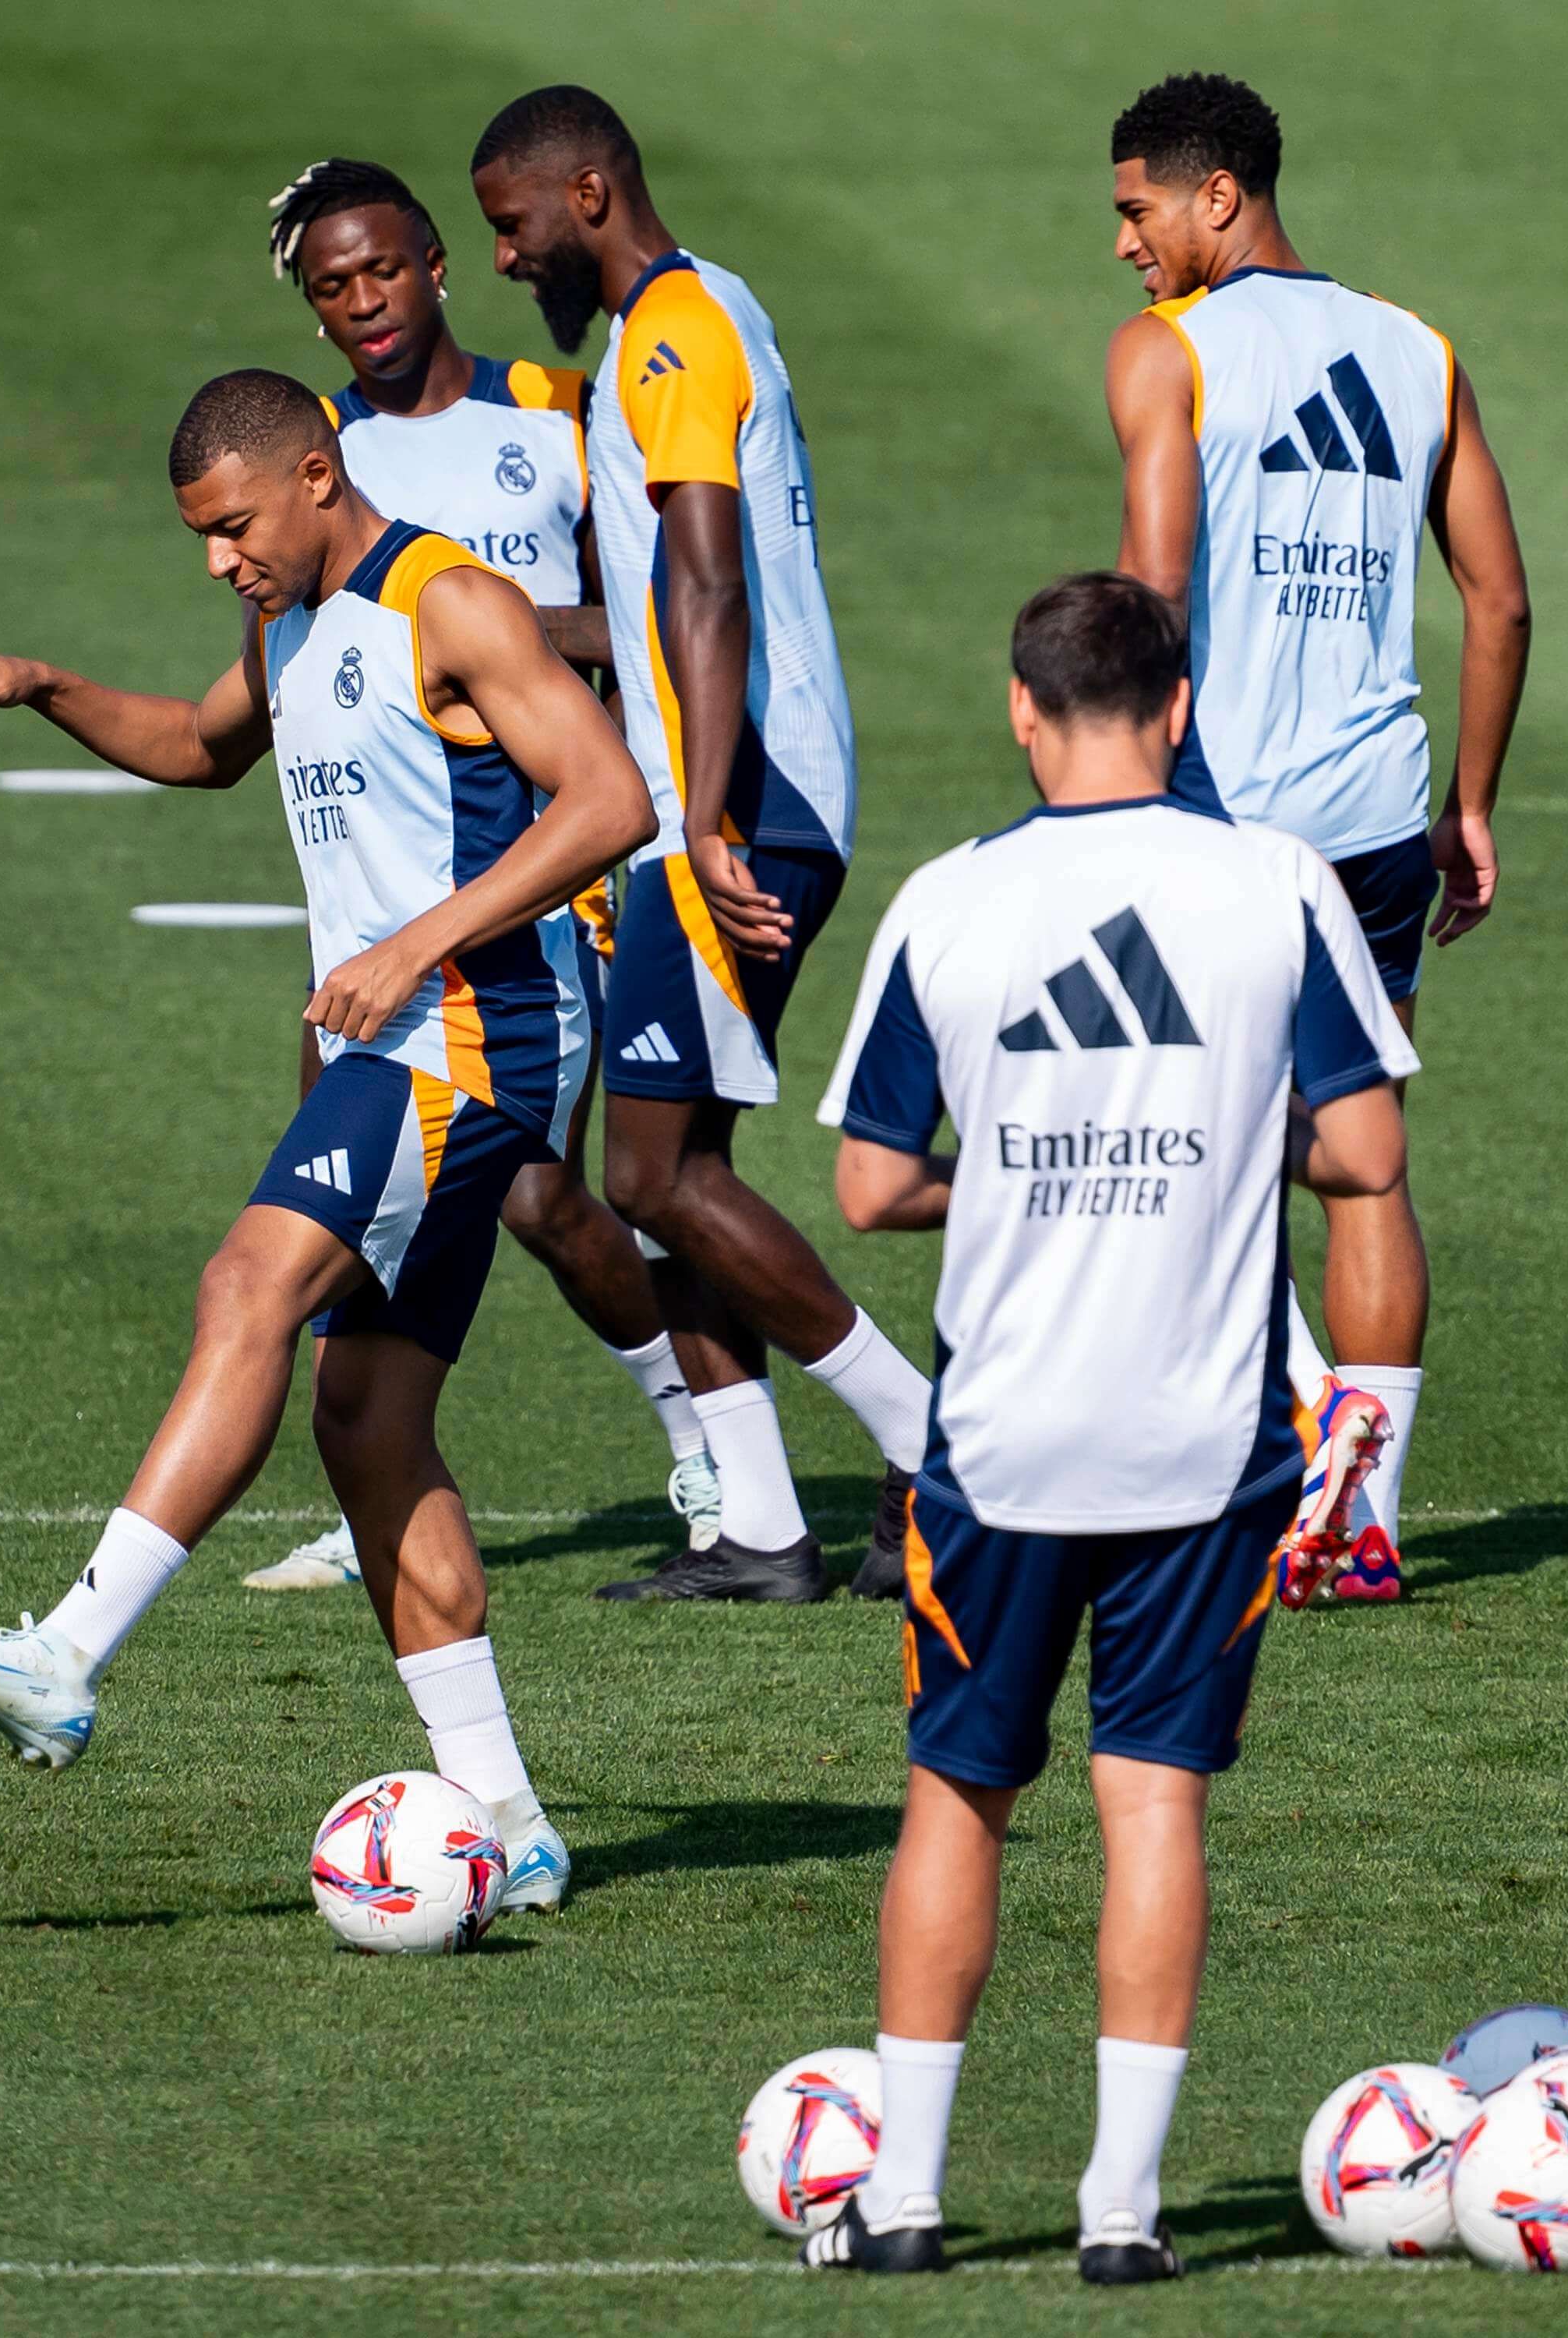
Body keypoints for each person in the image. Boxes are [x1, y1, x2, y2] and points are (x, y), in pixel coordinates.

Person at [0, 372, 659, 1913]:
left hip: (471, 1035)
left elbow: (611, 799)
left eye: (234, 526)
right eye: (200, 537)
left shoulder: (451, 604)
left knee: (249, 1284)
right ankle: (511, 1823)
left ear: (315, 474)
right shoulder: (289, 622)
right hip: (404, 1040)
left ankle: (66, 1654)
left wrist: (412, 945)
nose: (218, 559)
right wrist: (39, 681)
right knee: (368, 1426)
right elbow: (195, 743)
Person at [795, 574, 1414, 2280]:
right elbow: (1367, 1154)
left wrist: (1007, 1171)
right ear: (1181, 707)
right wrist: (1225, 1145)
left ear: (1021, 709)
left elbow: (868, 1186)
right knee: (1154, 1811)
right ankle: (1123, 2218)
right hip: (1206, 1445)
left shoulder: (948, 901)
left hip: (1000, 1441)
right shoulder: (1276, 884)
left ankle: (904, 2205)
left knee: (957, 1797)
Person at [468, 85, 935, 1607]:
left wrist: (710, 813)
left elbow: (711, 586)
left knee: (654, 1175)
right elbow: (658, 607)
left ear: (588, 192)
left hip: (736, 810)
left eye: (512, 224)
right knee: (678, 1167)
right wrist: (489, 630)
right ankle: (762, 1528)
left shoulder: (669, 333)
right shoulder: (689, 315)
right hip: (727, 796)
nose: (505, 257)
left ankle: (938, 1453)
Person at [238, 155, 721, 1595]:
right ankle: (369, 1484)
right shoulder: (312, 455)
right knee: (340, 1166)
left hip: (535, 880)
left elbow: (651, 614)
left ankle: (698, 1434)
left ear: (439, 263)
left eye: (384, 269)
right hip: (379, 884)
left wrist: (490, 625)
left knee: (539, 1199)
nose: (365, 302)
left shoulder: (557, 413)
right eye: (333, 287)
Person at [1103, 72, 1531, 1601]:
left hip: (1224, 819)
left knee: (1181, 1149)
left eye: (1137, 210)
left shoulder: (1167, 352)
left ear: (1216, 197)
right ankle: (1366, 1518)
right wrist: (1468, 802)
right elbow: (1501, 599)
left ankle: (1299, 1432)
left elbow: (1154, 590)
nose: (1125, 244)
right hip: (1378, 824)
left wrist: (1114, 789)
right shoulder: (1419, 351)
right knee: (1362, 1162)